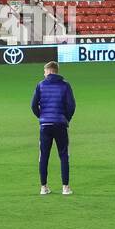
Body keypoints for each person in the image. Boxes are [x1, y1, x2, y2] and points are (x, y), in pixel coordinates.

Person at [31, 60, 76, 196]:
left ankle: (44, 187)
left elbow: (33, 105)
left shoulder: (40, 85)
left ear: (49, 71)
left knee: (44, 156)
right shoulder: (65, 86)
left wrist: (42, 117)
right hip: (61, 125)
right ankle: (65, 188)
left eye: (44, 71)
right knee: (63, 156)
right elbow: (71, 106)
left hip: (45, 126)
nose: (44, 74)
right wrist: (65, 118)